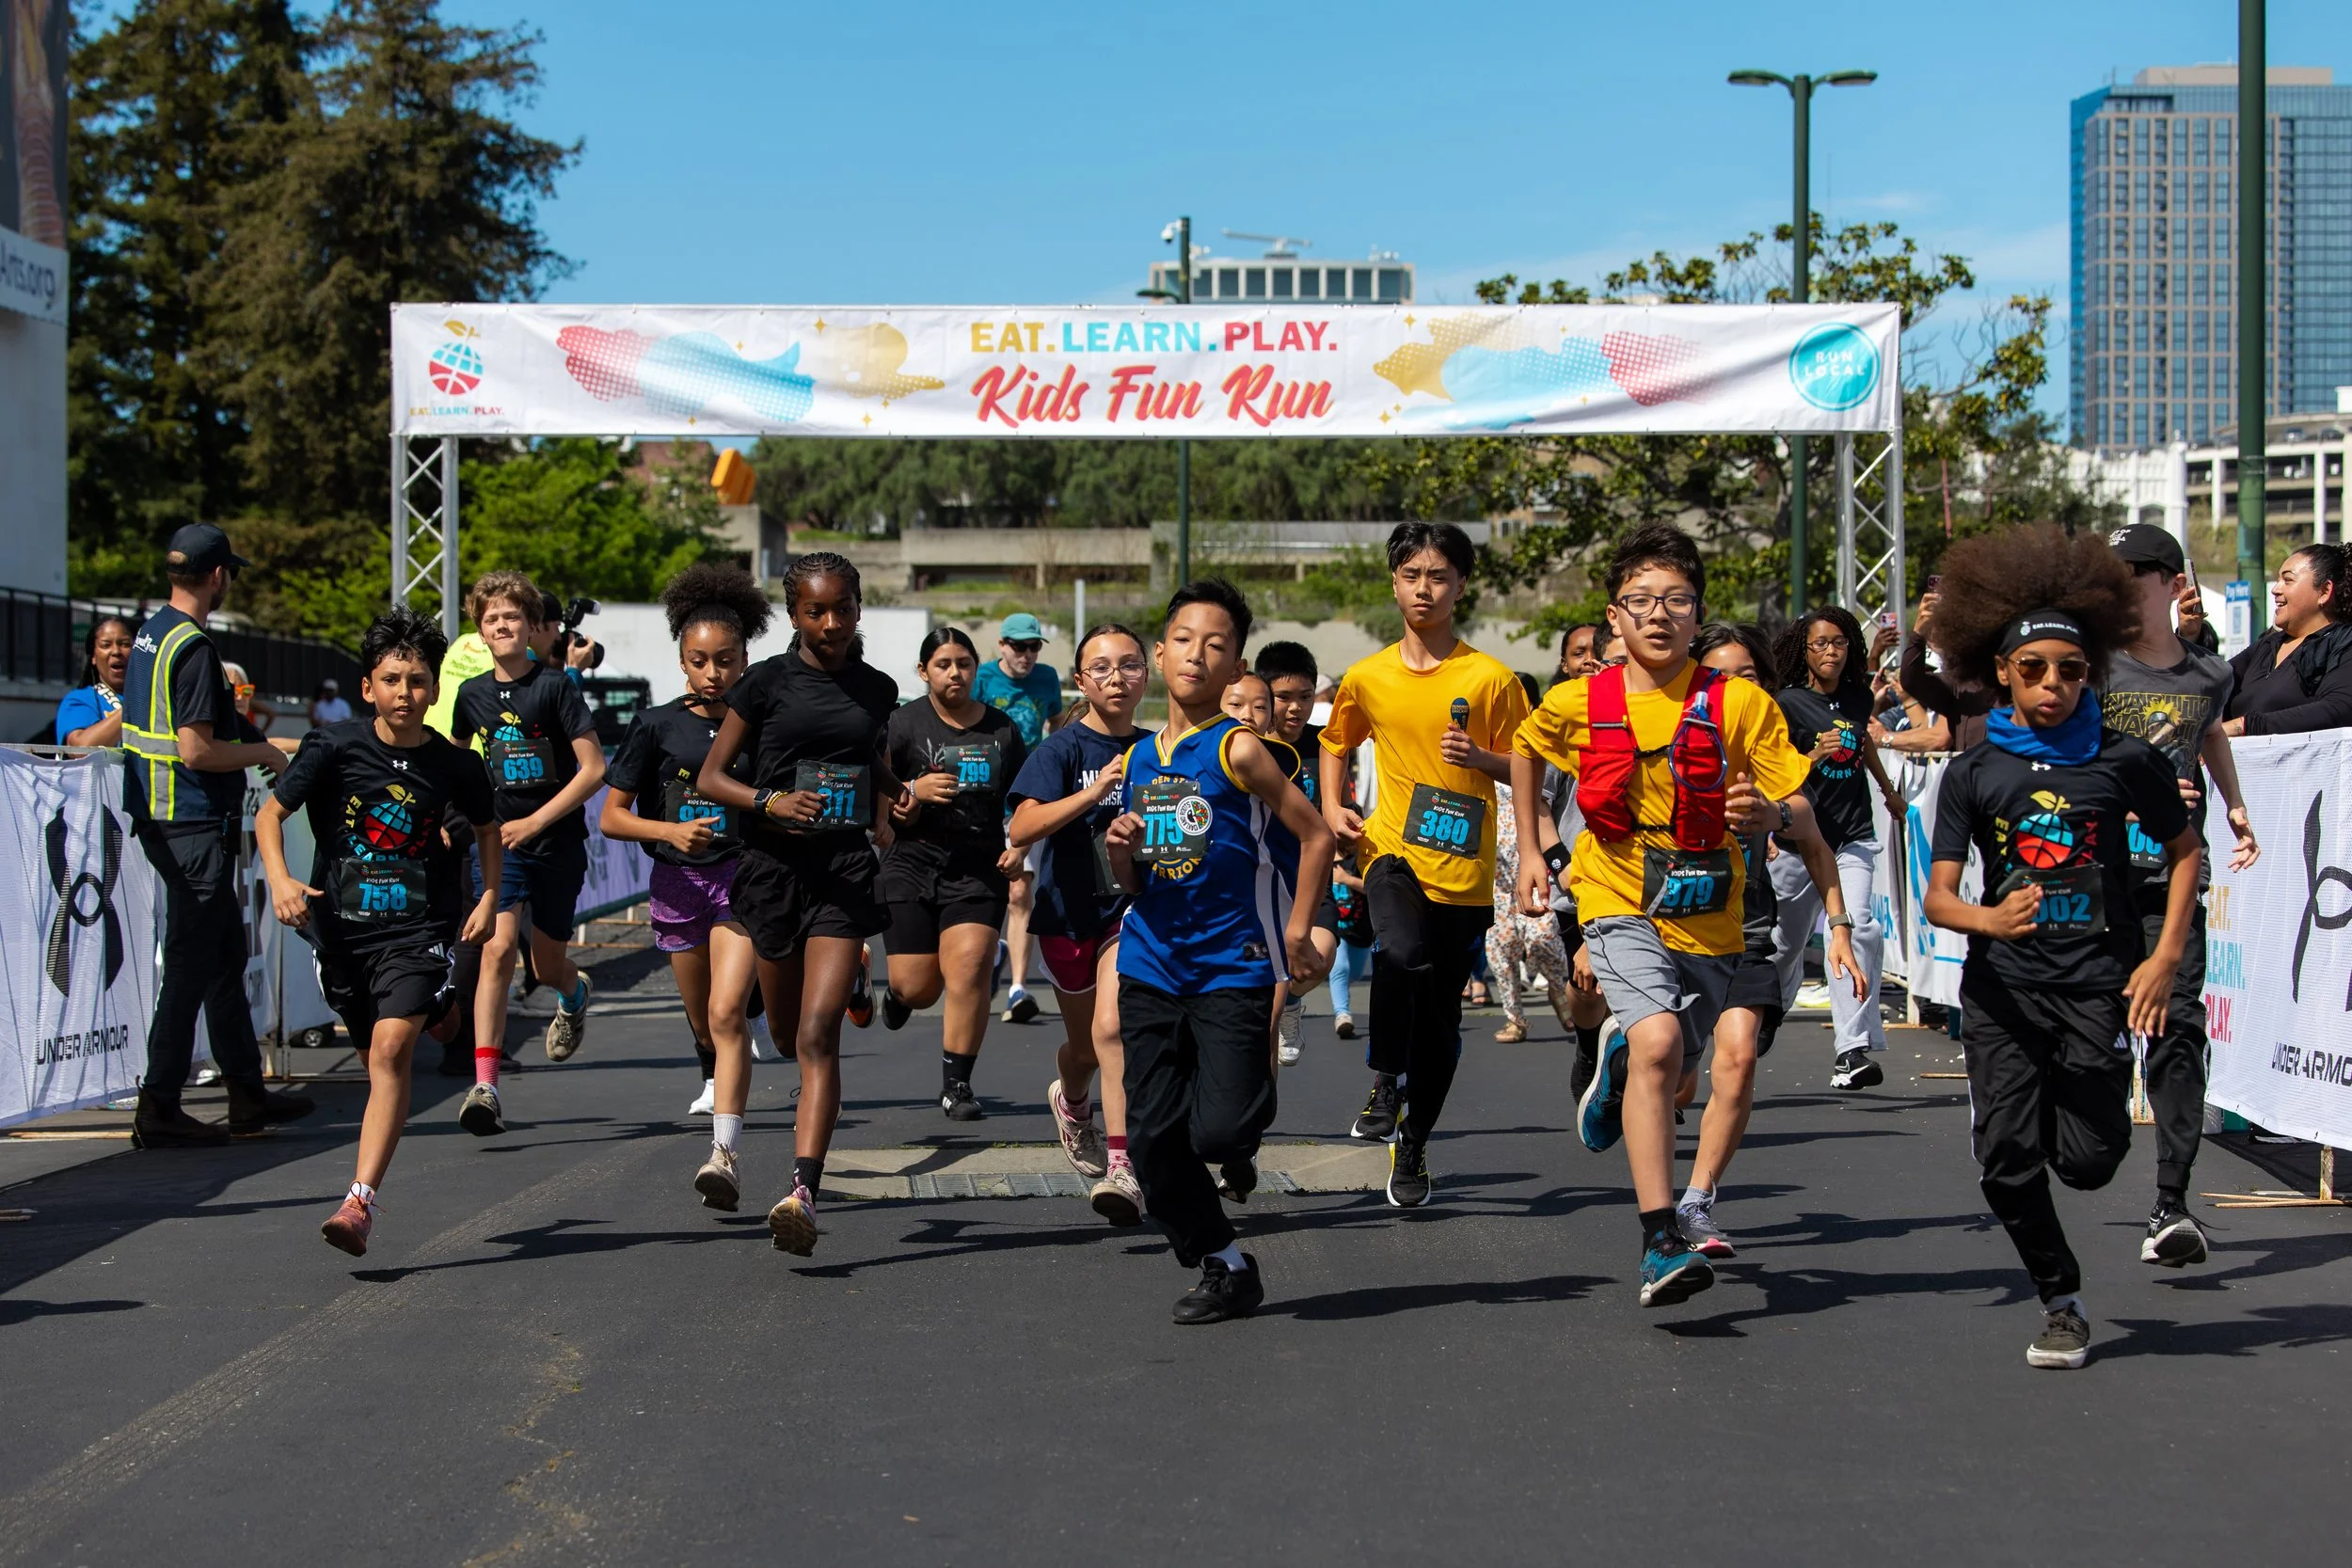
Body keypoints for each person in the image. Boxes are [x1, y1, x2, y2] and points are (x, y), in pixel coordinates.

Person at [1508, 522, 1815, 1308]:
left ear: (1697, 612)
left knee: (1676, 1078)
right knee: (1661, 1041)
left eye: (1676, 599)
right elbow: (1524, 747)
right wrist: (1539, 846)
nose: (1658, 614)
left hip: (1711, 910)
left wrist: (1766, 814)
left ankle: (1619, 1054)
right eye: (1640, 600)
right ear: (1614, 616)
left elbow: (1796, 802)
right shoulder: (1578, 699)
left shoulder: (1739, 702)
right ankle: (1658, 1239)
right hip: (1616, 893)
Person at [1921, 524, 2201, 1370]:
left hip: (2096, 985)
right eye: (2034, 669)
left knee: (2088, 1162)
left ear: (2093, 673)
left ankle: (2071, 1113)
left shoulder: (2124, 761)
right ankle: (2061, 1297)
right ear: (2001, 671)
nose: (2053, 685)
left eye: (2071, 671)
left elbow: (2186, 848)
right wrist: (1986, 920)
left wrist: (2160, 958)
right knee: (2006, 1165)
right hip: (2003, 989)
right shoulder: (1974, 774)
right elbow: (1938, 895)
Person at [1105, 578, 1334, 1323]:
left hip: (1233, 964)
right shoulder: (1141, 759)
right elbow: (1135, 879)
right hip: (1150, 961)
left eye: (1216, 645)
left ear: (1235, 663)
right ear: (1161, 650)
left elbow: (1317, 834)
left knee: (1221, 1131)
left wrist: (1298, 929)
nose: (1196, 656)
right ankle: (1225, 1261)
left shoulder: (1239, 748)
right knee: (1151, 1142)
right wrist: (1119, 851)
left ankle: (1240, 1097)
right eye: (1183, 640)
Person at [256, 609, 500, 1256]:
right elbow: (270, 813)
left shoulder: (454, 764)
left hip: (420, 926)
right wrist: (280, 880)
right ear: (368, 688)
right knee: (376, 1054)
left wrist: (491, 895)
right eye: (391, 679)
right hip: (342, 936)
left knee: (392, 1053)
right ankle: (445, 1011)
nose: (404, 692)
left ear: (435, 689)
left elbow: (486, 828)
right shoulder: (332, 748)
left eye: (417, 680)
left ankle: (358, 1201)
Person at [695, 552, 903, 1257]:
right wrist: (770, 800)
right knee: (785, 1034)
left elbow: (863, 751)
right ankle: (823, 1008)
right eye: (816, 610)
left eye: (843, 607)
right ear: (794, 614)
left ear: (857, 607)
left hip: (843, 870)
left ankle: (801, 1192)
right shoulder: (764, 685)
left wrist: (893, 789)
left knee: (818, 1035)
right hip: (772, 872)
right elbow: (713, 776)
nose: (832, 622)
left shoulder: (876, 687)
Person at [1319, 522, 1531, 1204]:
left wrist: (1483, 761)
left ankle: (1413, 1145)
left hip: (1464, 872)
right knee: (1399, 952)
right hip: (1392, 851)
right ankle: (1385, 1076)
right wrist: (1333, 805)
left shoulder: (1491, 679)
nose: (1423, 588)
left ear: (1461, 586)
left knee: (1441, 1028)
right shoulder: (1367, 674)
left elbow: (1531, 765)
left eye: (1438, 576)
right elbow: (1334, 741)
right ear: (1394, 582)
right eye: (1411, 575)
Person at [119, 524, 314, 1147]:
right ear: (216, 575)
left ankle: (246, 1094)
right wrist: (262, 749)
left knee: (224, 956)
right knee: (191, 964)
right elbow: (198, 750)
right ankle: (159, 1104)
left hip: (160, 812)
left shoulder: (153, 633)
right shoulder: (195, 647)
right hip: (191, 818)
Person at [1675, 623, 1862, 1258]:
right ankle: (1624, 1059)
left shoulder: (1769, 752)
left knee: (1742, 1055)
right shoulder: (1662, 739)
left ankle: (1698, 1199)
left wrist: (1838, 929)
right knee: (1673, 1077)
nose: (1732, 689)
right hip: (1663, 928)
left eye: (1747, 677)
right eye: (1718, 676)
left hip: (1745, 928)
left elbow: (1810, 833)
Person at [2102, 523, 2262, 1267]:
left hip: (2173, 878)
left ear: (2171, 581)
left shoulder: (2208, 674)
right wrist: (2125, 800)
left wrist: (2232, 805)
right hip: (2097, 881)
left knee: (2177, 1029)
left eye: (2138, 571)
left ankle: (2171, 1201)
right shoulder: (2092, 669)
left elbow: (2208, 737)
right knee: (2094, 1032)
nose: (2124, 582)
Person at [598, 564, 772, 1201]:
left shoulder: (760, 721)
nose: (713, 672)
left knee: (727, 1014)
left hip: (742, 880)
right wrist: (669, 833)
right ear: (681, 662)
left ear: (744, 659)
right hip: (678, 887)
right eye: (699, 660)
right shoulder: (655, 726)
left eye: (724, 660)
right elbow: (614, 816)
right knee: (706, 1023)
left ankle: (723, 1155)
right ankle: (720, 1052)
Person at [448, 572, 606, 1135]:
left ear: (531, 626)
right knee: (495, 949)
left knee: (546, 964)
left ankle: (575, 991)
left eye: (512, 617)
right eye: (492, 619)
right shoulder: (470, 697)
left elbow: (594, 769)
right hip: (500, 843)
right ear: (480, 632)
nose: (502, 626)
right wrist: (453, 819)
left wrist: (538, 819)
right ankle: (485, 1085)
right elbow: (457, 763)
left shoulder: (556, 687)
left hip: (556, 840)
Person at [1008, 623, 1151, 1225]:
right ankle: (1070, 1098)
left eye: (1129, 665)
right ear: (1080, 680)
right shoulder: (1061, 751)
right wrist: (1096, 795)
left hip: (1130, 909)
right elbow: (1022, 827)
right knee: (1086, 1048)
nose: (1116, 678)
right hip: (1067, 914)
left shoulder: (1159, 747)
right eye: (1102, 668)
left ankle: (1123, 1168)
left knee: (1113, 1031)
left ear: (1148, 672)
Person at [878, 627, 1027, 1120]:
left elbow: (1025, 801)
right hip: (911, 862)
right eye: (943, 664)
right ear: (924, 672)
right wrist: (911, 792)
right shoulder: (900, 725)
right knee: (919, 988)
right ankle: (898, 996)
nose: (955, 673)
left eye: (964, 663)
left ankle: (957, 1085)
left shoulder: (1002, 731)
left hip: (976, 866)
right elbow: (878, 799)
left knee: (969, 969)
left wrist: (1019, 846)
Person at [1768, 607, 1904, 1090]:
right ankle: (1766, 1014)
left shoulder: (1856, 695)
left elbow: (1864, 739)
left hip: (1851, 835)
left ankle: (1852, 1050)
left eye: (1839, 643)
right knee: (1784, 944)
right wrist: (1814, 754)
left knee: (1856, 928)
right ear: (1804, 652)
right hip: (1798, 841)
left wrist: (1887, 790)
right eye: (1821, 644)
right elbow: (1777, 771)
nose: (1831, 651)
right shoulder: (1786, 702)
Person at [971, 611, 1062, 1025]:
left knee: (1021, 893)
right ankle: (996, 949)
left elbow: (1058, 727)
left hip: (1030, 797)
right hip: (985, 796)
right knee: (986, 889)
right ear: (1002, 646)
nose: (1026, 655)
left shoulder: (1046, 679)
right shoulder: (984, 678)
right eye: (1019, 646)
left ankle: (1018, 987)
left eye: (1033, 647)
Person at [1257, 641, 1340, 1066]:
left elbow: (1335, 805)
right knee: (1263, 1016)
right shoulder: (1246, 746)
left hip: (1311, 881)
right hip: (1259, 883)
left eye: (1305, 697)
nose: (1295, 708)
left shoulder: (1324, 744)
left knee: (1317, 962)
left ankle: (1291, 1001)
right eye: (1284, 697)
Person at [2222, 543, 2352, 736]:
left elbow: (2339, 708)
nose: (2275, 589)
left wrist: (2245, 726)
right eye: (2277, 580)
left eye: (2288, 580)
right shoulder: (2267, 645)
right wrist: (2192, 633)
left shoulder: (2343, 644)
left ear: (2324, 591)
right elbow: (2213, 680)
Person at [1485, 778, 1574, 1043]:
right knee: (1502, 947)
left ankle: (1559, 989)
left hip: (1537, 872)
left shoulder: (1535, 771)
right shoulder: (1482, 775)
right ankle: (1515, 1020)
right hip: (1498, 879)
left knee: (1542, 938)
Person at [56, 614, 136, 746]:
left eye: (125, 644)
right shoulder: (80, 700)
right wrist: (135, 705)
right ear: (93, 656)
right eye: (106, 645)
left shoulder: (157, 697)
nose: (116, 651)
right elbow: (81, 747)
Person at [1552, 623, 1603, 689]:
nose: (1590, 659)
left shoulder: (1619, 695)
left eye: (1598, 652)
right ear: (1565, 664)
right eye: (1578, 654)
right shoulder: (1555, 697)